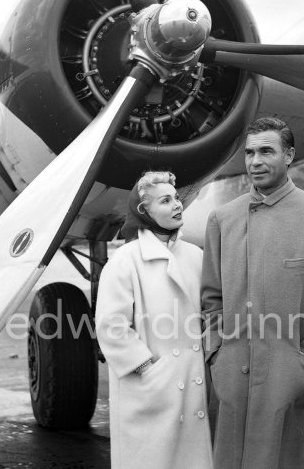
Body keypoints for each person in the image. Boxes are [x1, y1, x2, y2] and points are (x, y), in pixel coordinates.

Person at [201, 117, 304, 469]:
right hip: (232, 379)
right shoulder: (221, 219)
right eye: (250, 152)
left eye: (266, 151)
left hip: (291, 378)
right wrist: (216, 354)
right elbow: (211, 297)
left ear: (289, 155)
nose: (255, 161)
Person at [95, 171, 213, 469]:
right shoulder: (125, 260)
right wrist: (148, 369)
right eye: (165, 200)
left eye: (176, 198)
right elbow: (111, 326)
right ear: (143, 211)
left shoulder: (195, 256)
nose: (177, 206)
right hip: (151, 387)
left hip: (192, 383)